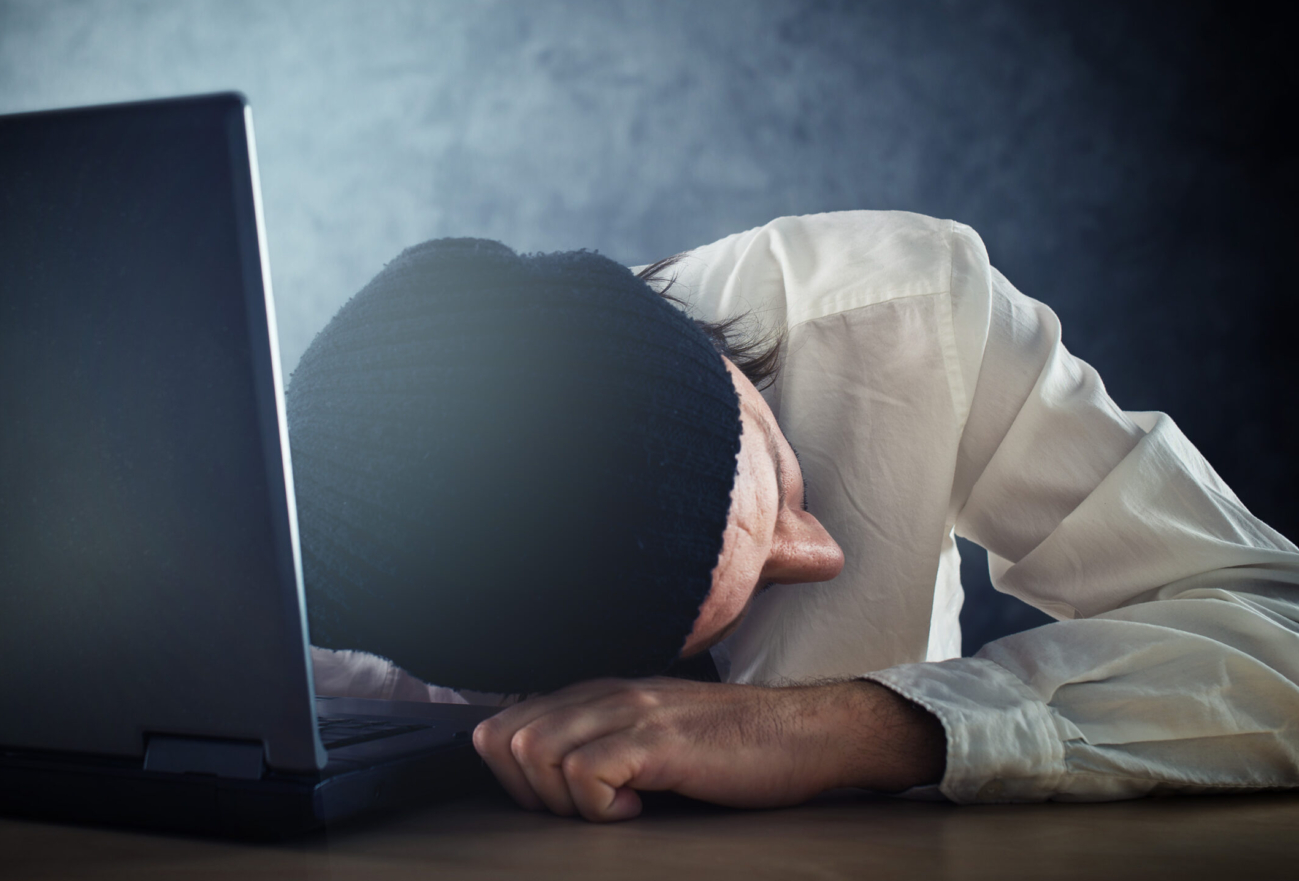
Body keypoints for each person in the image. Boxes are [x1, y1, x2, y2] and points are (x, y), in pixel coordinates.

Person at [286, 210, 1299, 822]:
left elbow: (1281, 641)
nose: (823, 555)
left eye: (781, 477)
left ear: (721, 360)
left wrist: (865, 725)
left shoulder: (901, 312)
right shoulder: (345, 604)